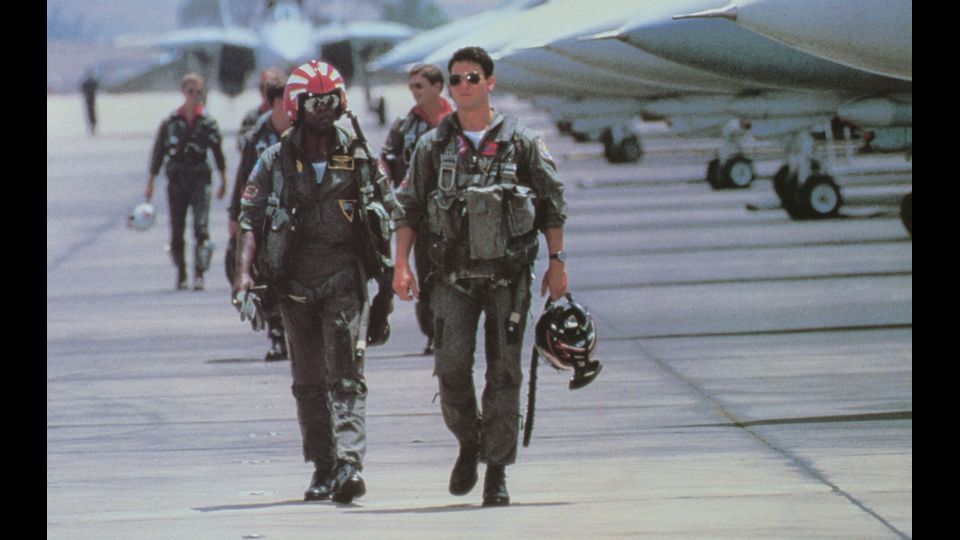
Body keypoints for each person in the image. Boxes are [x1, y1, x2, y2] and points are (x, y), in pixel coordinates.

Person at [391, 46, 569, 507]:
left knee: (505, 373)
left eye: (472, 77)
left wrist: (557, 262)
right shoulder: (432, 146)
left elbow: (552, 203)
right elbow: (408, 208)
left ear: (490, 82)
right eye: (455, 80)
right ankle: (469, 441)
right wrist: (401, 265)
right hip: (451, 278)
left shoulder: (522, 142)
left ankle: (496, 471)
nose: (463, 86)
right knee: (451, 369)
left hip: (508, 278)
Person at [236, 60, 397, 503]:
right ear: (296, 105)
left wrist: (389, 281)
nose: (323, 110)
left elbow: (391, 213)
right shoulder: (274, 159)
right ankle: (323, 465)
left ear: (341, 102)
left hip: (345, 279)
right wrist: (243, 276)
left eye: (330, 101)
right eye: (314, 102)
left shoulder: (362, 156)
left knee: (346, 376)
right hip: (292, 285)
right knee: (308, 382)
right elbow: (248, 221)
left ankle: (349, 463)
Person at [379, 63, 453, 355]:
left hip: (454, 215)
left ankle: (455, 331)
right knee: (426, 275)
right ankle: (434, 333)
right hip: (420, 216)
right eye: (412, 87)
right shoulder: (405, 125)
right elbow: (385, 159)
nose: (415, 92)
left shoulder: (457, 121)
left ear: (437, 87)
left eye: (420, 86)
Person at [227, 71, 291, 361]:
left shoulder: (304, 133)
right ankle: (277, 334)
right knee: (268, 274)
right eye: (289, 99)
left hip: (297, 216)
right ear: (275, 101)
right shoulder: (258, 139)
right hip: (266, 218)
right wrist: (234, 215)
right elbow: (243, 178)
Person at [145, 73, 227, 291]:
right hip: (177, 179)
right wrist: (150, 182)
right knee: (177, 229)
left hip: (200, 178)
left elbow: (218, 153)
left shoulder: (208, 123)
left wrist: (224, 180)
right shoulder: (171, 122)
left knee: (201, 226)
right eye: (191, 92)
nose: (195, 96)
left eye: (199, 92)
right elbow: (158, 153)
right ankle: (181, 271)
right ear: (184, 92)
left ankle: (199, 273)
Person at [237, 68, 285, 151]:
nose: (267, 92)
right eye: (263, 87)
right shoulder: (252, 117)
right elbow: (242, 142)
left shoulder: (289, 117)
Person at [81, 70, 99, 135]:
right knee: (92, 112)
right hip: (92, 99)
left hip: (88, 99)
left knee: (90, 113)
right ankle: (92, 125)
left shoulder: (86, 82)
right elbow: (96, 87)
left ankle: (92, 125)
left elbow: (82, 89)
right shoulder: (92, 82)